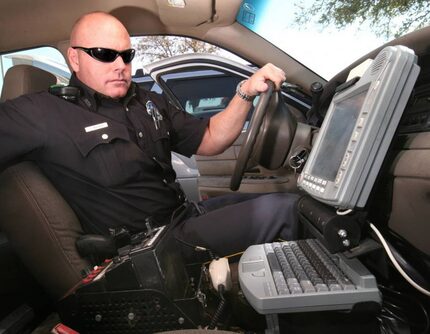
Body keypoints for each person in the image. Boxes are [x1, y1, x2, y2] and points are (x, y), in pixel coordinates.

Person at [0, 12, 299, 259]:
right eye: (105, 55)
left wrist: (245, 92)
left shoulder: (147, 101)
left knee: (288, 199)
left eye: (126, 55)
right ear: (74, 59)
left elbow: (209, 138)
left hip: (183, 217)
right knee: (284, 211)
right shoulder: (40, 112)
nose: (120, 66)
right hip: (148, 249)